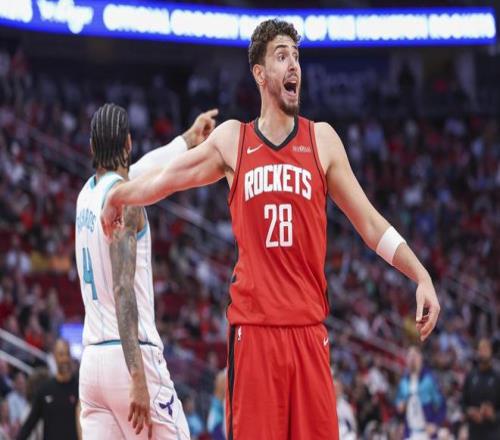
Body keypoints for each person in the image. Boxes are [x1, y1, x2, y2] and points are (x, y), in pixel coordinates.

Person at [101, 19, 441, 440]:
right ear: (260, 74)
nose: (293, 64)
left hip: (309, 332)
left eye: (296, 57)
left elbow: (370, 224)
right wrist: (120, 196)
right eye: (282, 56)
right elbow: (167, 179)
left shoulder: (322, 140)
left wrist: (420, 275)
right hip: (255, 333)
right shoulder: (233, 139)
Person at [75, 104, 217, 439]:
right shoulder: (126, 203)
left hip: (92, 365)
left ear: (92, 147)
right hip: (130, 354)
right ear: (129, 142)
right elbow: (123, 289)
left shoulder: (86, 196)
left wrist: (188, 139)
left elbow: (142, 169)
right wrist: (137, 376)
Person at [17, 339, 79, 440]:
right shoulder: (45, 390)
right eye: (61, 354)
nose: (65, 359)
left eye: (67, 354)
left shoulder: (79, 388)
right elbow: (29, 425)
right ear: (54, 357)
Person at [395, 346, 445, 439]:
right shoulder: (404, 381)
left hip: (427, 433)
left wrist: (435, 423)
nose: (412, 359)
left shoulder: (430, 379)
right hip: (409, 433)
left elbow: (441, 404)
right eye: (409, 356)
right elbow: (398, 401)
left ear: (420, 358)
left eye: (415, 356)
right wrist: (399, 406)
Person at [462, 338, 500, 440]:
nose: (483, 352)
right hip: (474, 432)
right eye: (481, 349)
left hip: (493, 433)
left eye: (486, 348)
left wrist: (493, 415)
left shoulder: (497, 377)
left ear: (491, 351)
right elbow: (463, 402)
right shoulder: (471, 376)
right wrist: (470, 411)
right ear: (477, 352)